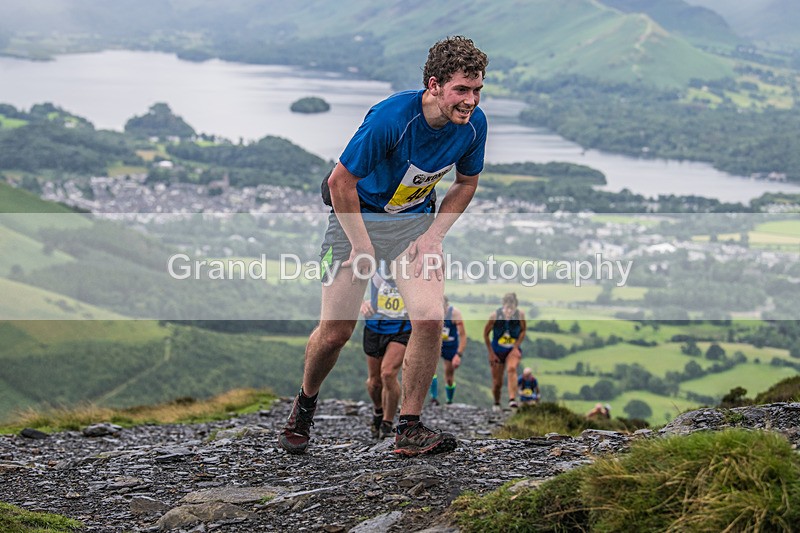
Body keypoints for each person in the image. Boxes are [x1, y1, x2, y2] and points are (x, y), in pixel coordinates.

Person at [279, 35, 488, 456]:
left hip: (411, 226)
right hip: (356, 219)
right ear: (434, 86)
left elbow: (466, 183)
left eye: (478, 90)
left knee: (429, 319)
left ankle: (408, 426)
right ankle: (305, 403)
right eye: (461, 90)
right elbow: (340, 183)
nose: (471, 101)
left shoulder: (473, 126)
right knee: (336, 333)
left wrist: (433, 236)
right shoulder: (391, 118)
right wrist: (361, 246)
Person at [361, 262, 410, 439]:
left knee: (388, 374)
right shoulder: (375, 262)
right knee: (374, 382)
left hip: (402, 328)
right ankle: (378, 411)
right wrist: (362, 303)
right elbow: (351, 284)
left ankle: (388, 423)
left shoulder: (410, 266)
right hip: (375, 327)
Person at [483, 292, 527, 411]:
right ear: (503, 306)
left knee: (512, 369)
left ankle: (512, 399)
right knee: (497, 382)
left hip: (512, 350)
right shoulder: (494, 316)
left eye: (512, 309)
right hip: (497, 351)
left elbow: (523, 331)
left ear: (515, 307)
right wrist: (491, 353)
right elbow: (486, 334)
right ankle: (496, 402)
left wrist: (516, 346)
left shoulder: (520, 315)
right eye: (507, 308)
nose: (509, 312)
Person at [430, 295, 466, 406]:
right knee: (431, 370)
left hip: (450, 346)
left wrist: (458, 355)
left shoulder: (455, 314)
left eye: (443, 307)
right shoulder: (432, 312)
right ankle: (433, 398)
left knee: (449, 375)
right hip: (436, 343)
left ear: (447, 305)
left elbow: (463, 335)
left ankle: (449, 401)